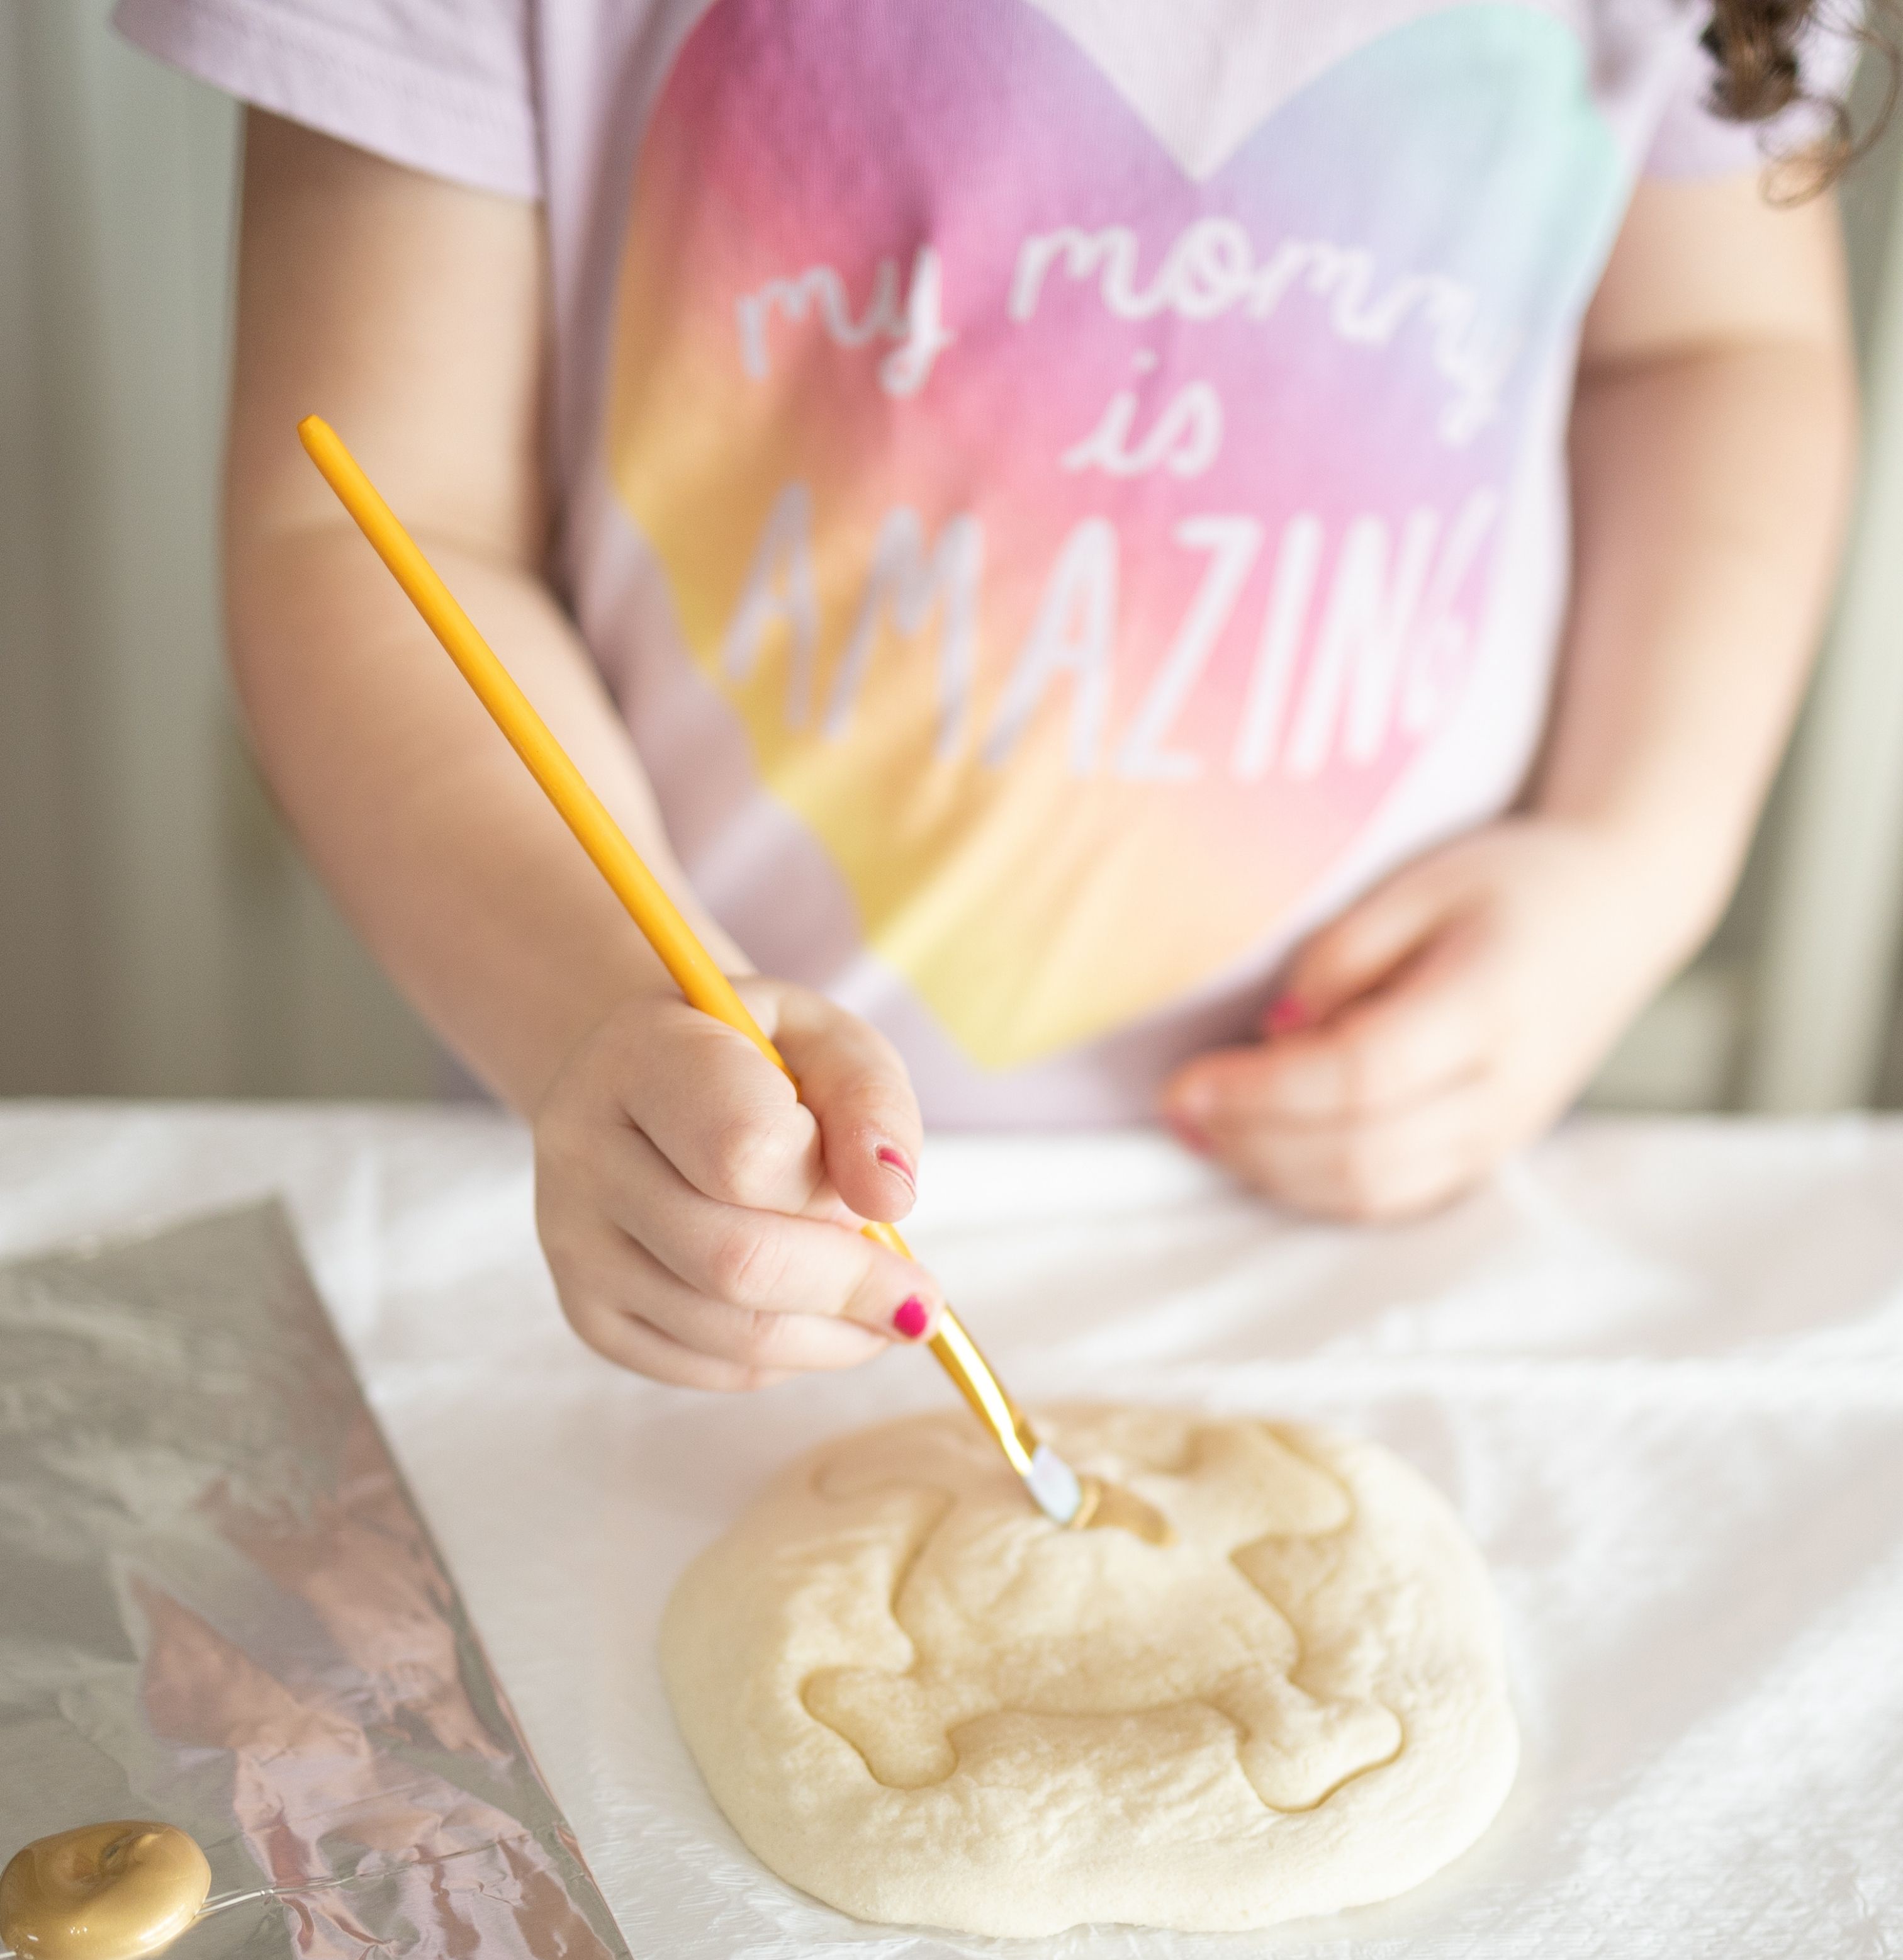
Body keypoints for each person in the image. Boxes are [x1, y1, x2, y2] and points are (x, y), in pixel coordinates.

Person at [122, 0, 1870, 1388]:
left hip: (1395, 1226)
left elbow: (1714, 357)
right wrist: (592, 1018)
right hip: (669, 1237)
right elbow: (372, 514)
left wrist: (1635, 859)